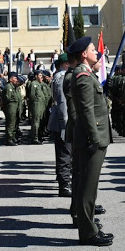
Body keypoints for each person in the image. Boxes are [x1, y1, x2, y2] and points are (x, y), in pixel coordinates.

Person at [71, 37, 113, 246]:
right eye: (92, 50)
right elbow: (87, 111)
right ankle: (88, 232)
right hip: (91, 137)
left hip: (92, 135)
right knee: (87, 187)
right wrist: (94, 138)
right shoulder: (83, 77)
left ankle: (88, 226)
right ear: (83, 54)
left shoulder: (87, 75)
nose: (96, 52)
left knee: (87, 185)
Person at [48, 53, 72, 197]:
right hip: (63, 121)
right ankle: (64, 185)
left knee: (64, 153)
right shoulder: (62, 77)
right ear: (66, 64)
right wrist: (65, 125)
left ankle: (63, 180)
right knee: (65, 154)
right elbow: (63, 103)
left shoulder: (59, 76)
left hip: (60, 121)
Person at [2, 72, 21, 145]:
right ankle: (9, 139)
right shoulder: (8, 87)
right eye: (15, 78)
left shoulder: (13, 87)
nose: (16, 80)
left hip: (14, 107)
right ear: (10, 79)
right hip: (10, 107)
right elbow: (7, 98)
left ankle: (12, 137)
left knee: (13, 123)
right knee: (10, 123)